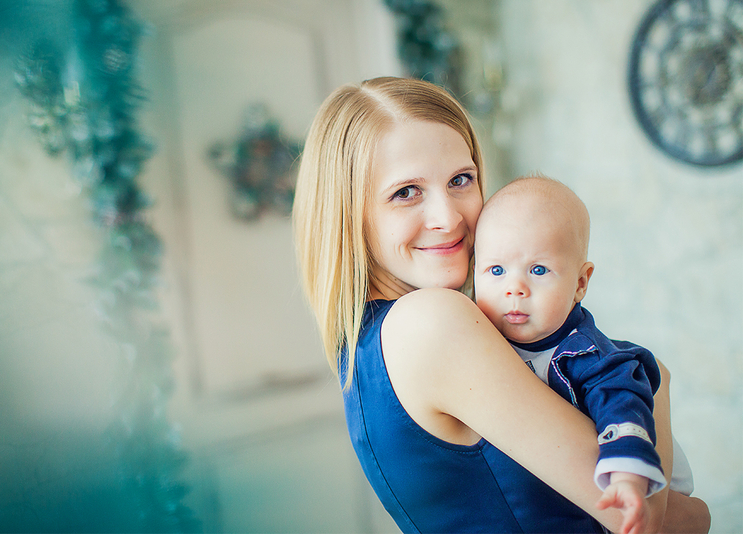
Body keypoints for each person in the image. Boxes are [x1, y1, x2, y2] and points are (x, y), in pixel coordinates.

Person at [293, 76, 710, 533]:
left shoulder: (368, 344)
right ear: (349, 214)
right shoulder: (430, 323)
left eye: (460, 180)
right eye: (405, 192)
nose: (449, 217)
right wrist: (652, 379)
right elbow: (646, 518)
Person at [472, 176, 695, 534]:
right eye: (496, 270)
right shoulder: (482, 340)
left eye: (538, 270)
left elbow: (620, 404)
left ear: (580, 283)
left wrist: (627, 476)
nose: (514, 288)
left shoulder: (590, 355)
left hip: (642, 474)